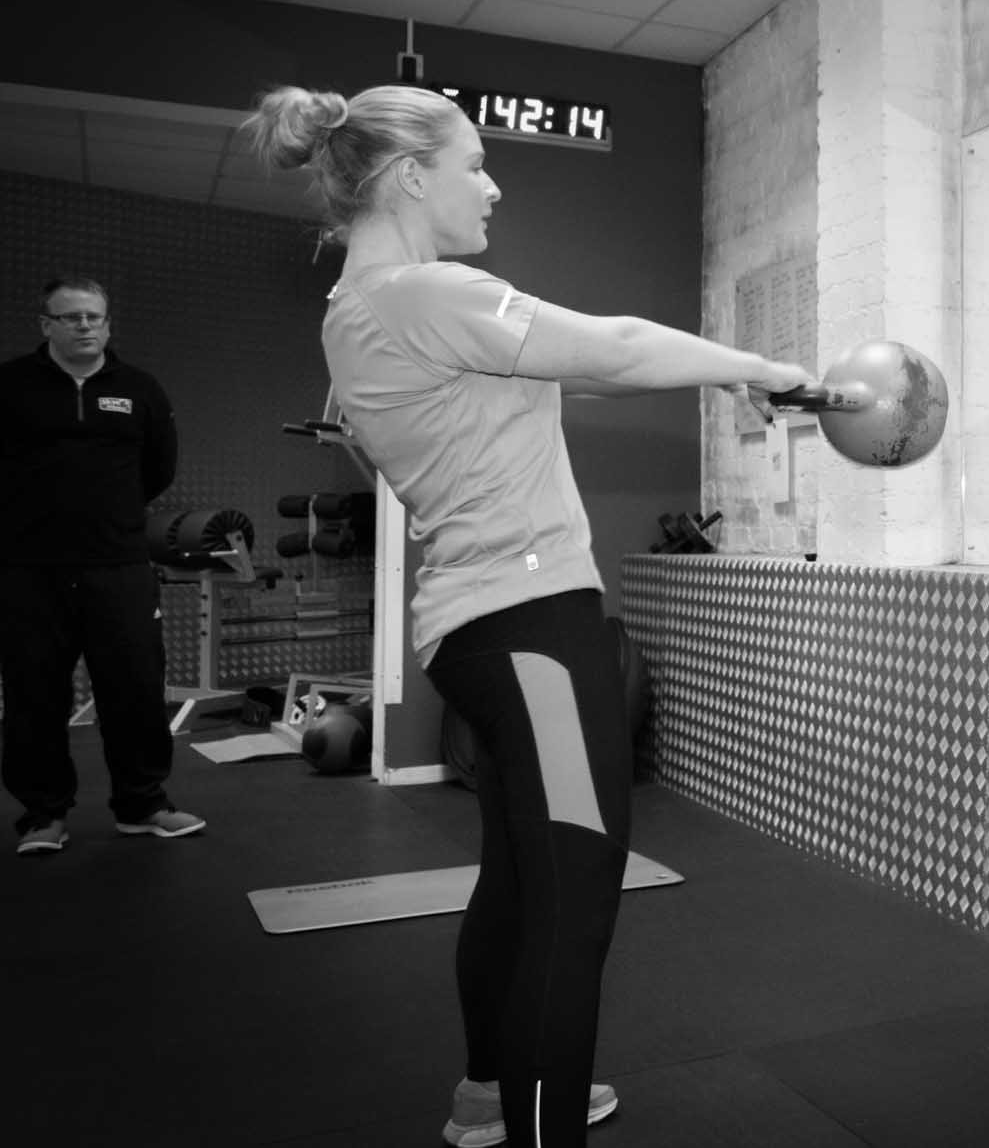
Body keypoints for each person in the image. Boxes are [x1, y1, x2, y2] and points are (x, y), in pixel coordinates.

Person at [244, 83, 811, 1148]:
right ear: (411, 178)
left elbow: (540, 378)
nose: (492, 182)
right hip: (534, 635)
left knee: (518, 879)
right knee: (574, 897)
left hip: (473, 634)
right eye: (473, 162)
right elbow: (617, 346)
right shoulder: (422, 291)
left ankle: (487, 1097)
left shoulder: (356, 314)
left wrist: (701, 381)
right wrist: (756, 366)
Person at [0, 278, 204, 855]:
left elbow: (158, 468)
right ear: (46, 325)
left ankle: (142, 804)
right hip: (29, 569)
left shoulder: (139, 390)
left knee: (135, 688)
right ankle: (43, 815)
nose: (84, 325)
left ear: (109, 324)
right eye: (70, 317)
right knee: (34, 693)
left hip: (119, 565)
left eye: (94, 316)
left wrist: (105, 514)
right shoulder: (10, 386)